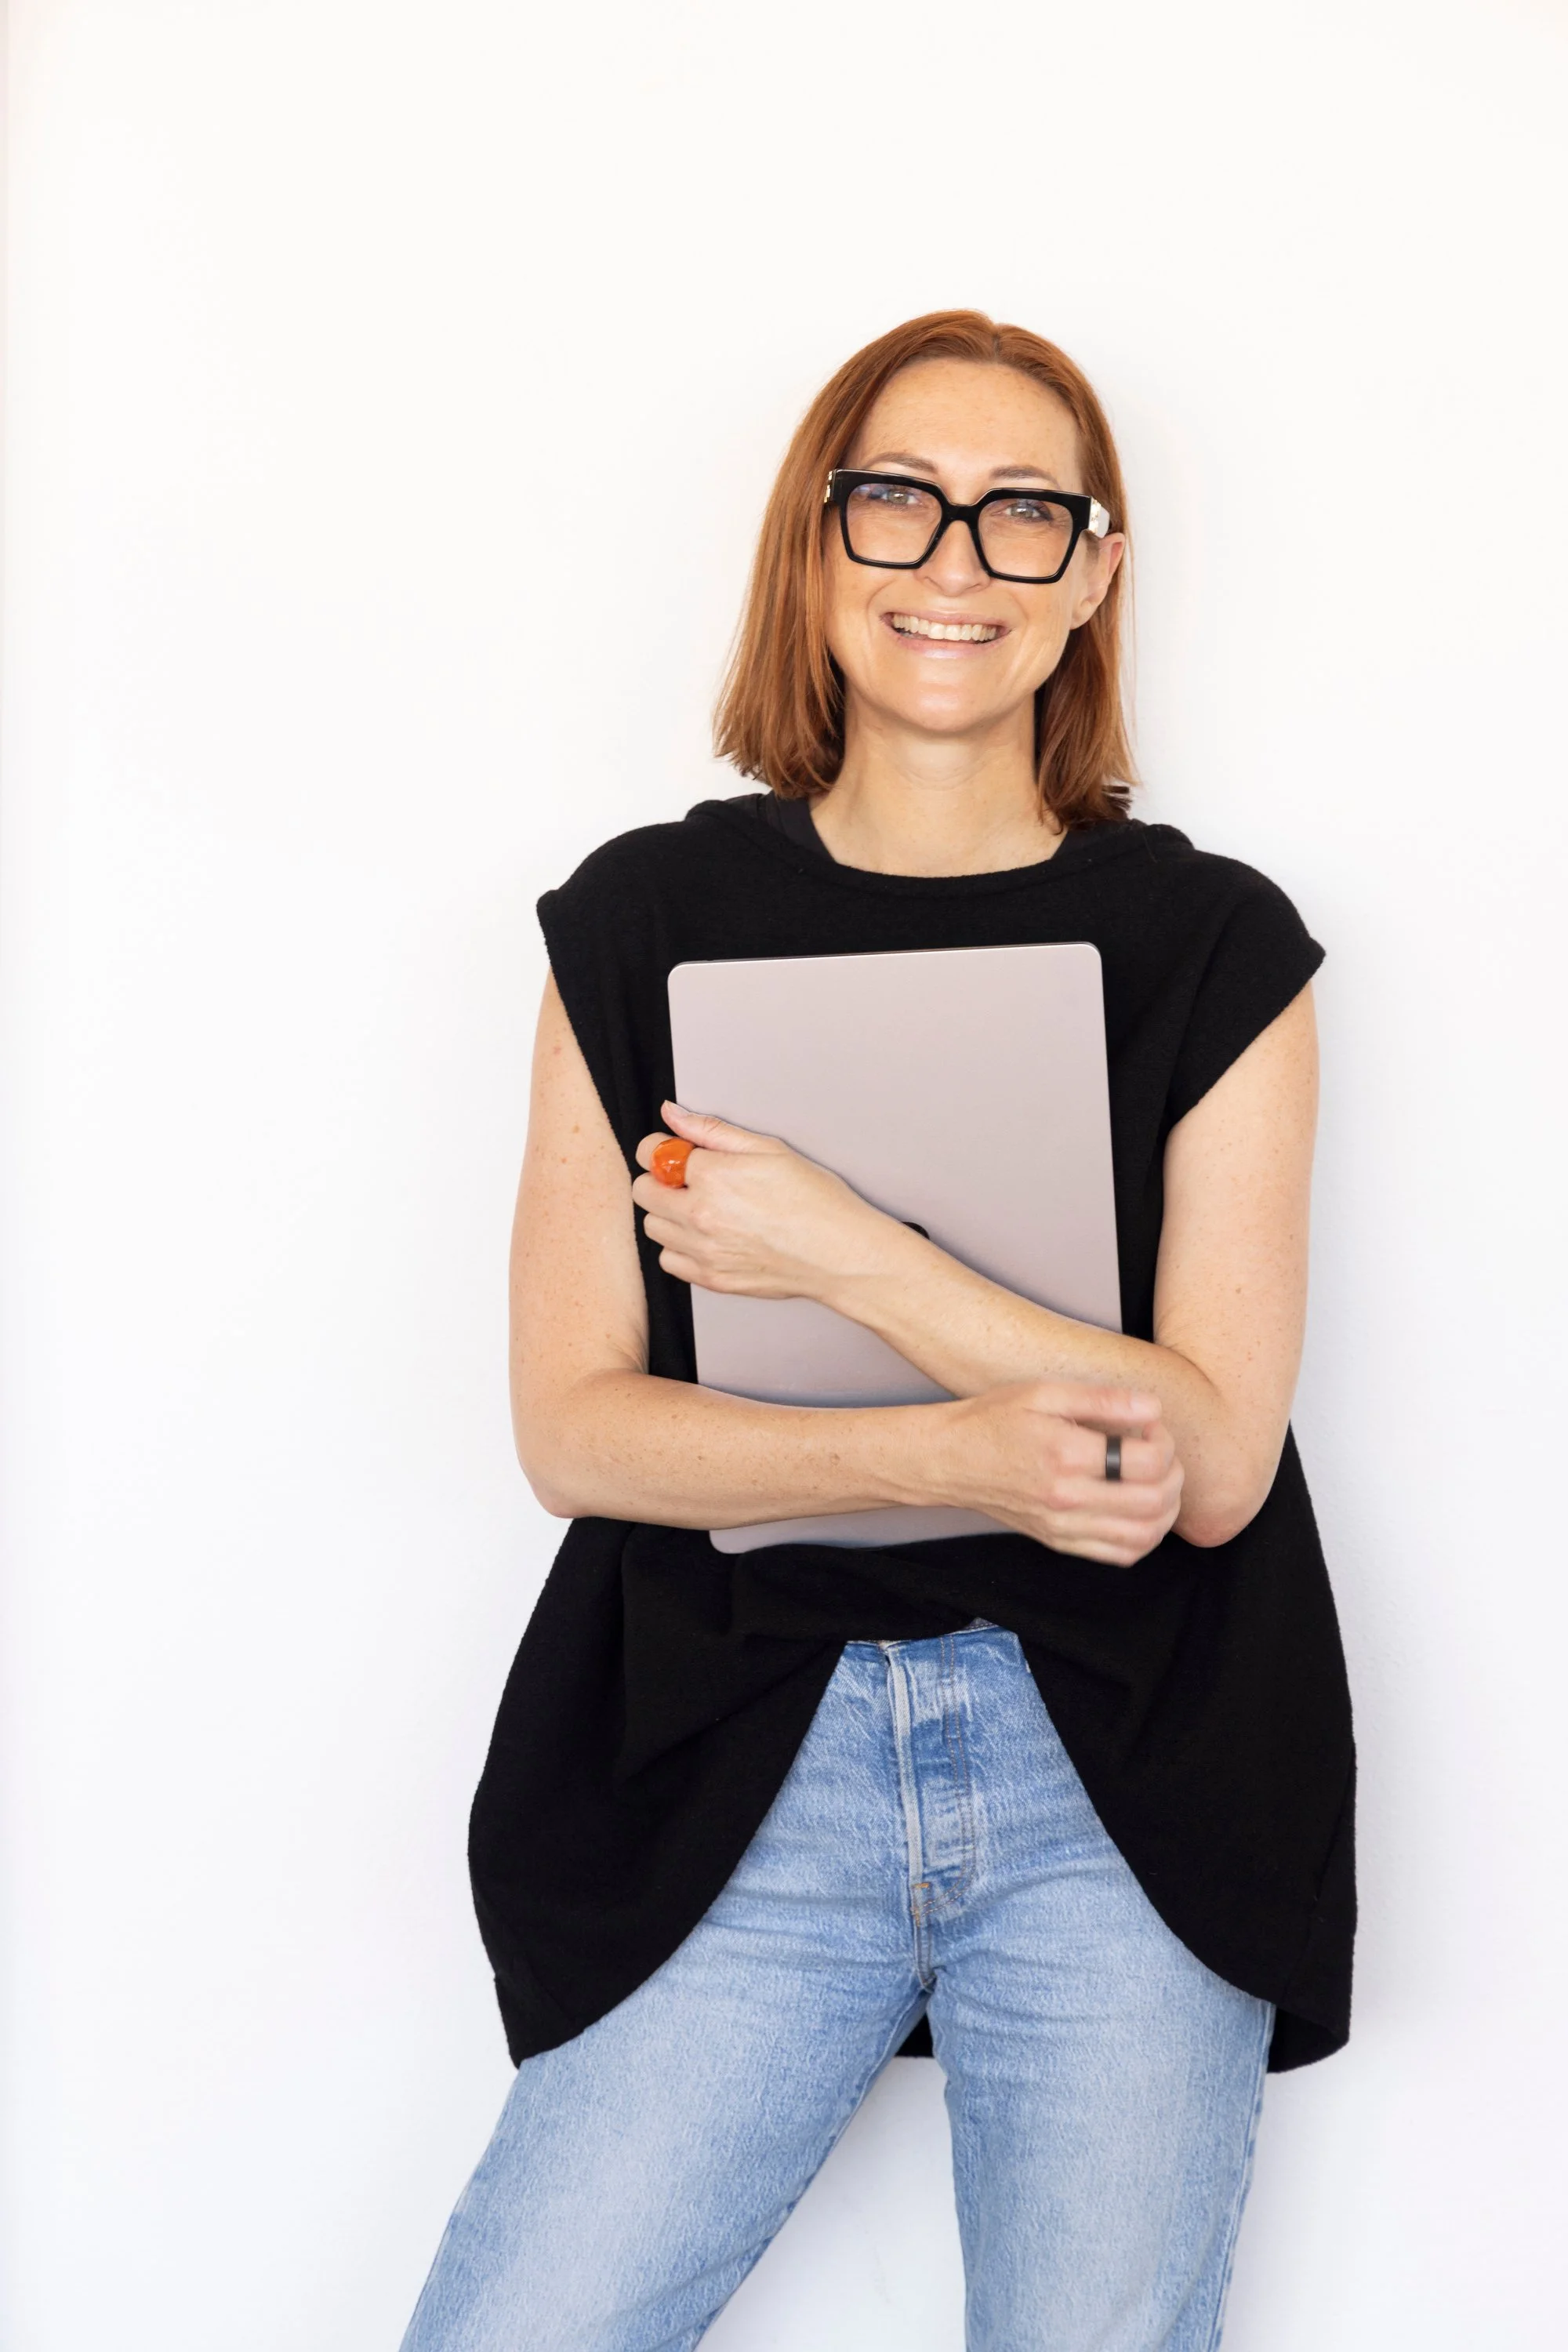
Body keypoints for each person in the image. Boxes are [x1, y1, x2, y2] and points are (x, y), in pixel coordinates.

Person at [399, 310, 1355, 2352]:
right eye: (900, 498)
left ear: (1092, 574)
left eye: (1027, 514)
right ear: (817, 544)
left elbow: (1212, 1459)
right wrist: (957, 1452)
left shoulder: (1220, 949)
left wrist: (845, 1251)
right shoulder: (640, 923)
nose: (955, 559)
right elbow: (577, 1428)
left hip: (1131, 1780)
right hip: (745, 1755)